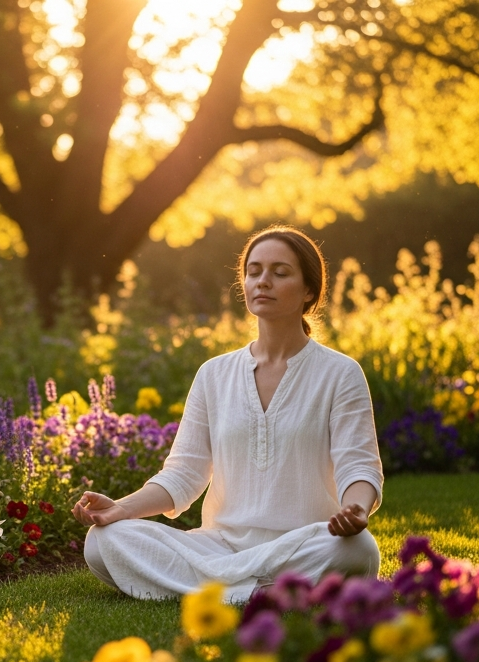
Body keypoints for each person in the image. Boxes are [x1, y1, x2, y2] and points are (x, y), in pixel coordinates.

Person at [72, 225, 383, 602]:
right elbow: (184, 474)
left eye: (279, 273)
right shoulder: (213, 374)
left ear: (308, 291)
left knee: (357, 549)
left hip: (303, 542)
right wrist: (121, 508)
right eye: (254, 272)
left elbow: (359, 465)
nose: (262, 281)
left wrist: (355, 509)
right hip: (219, 546)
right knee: (103, 539)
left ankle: (213, 590)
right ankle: (262, 591)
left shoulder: (340, 373)